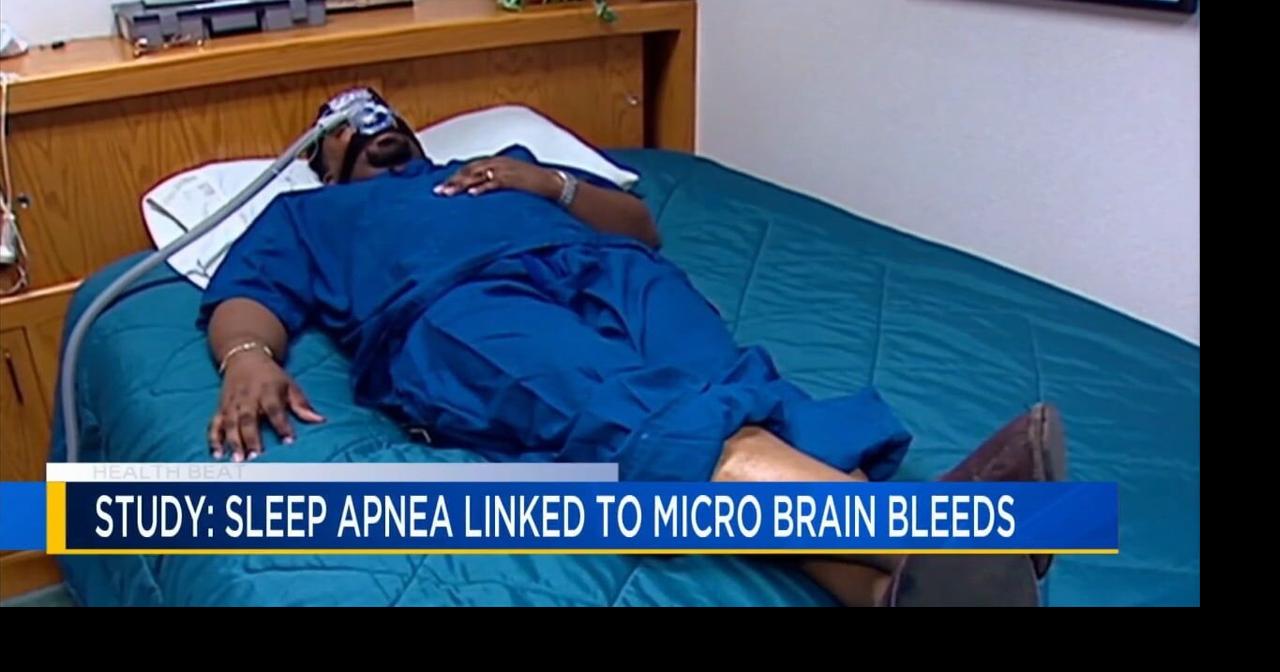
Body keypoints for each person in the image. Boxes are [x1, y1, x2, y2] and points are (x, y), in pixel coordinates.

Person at [199, 88, 1067, 607]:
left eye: (382, 108)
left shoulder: (505, 162)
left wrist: (547, 181)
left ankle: (894, 590)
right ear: (322, 156)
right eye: (345, 119)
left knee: (727, 389)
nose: (370, 118)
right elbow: (246, 296)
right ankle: (941, 534)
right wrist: (248, 358)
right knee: (643, 412)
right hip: (454, 306)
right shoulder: (310, 213)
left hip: (606, 268)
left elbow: (641, 227)